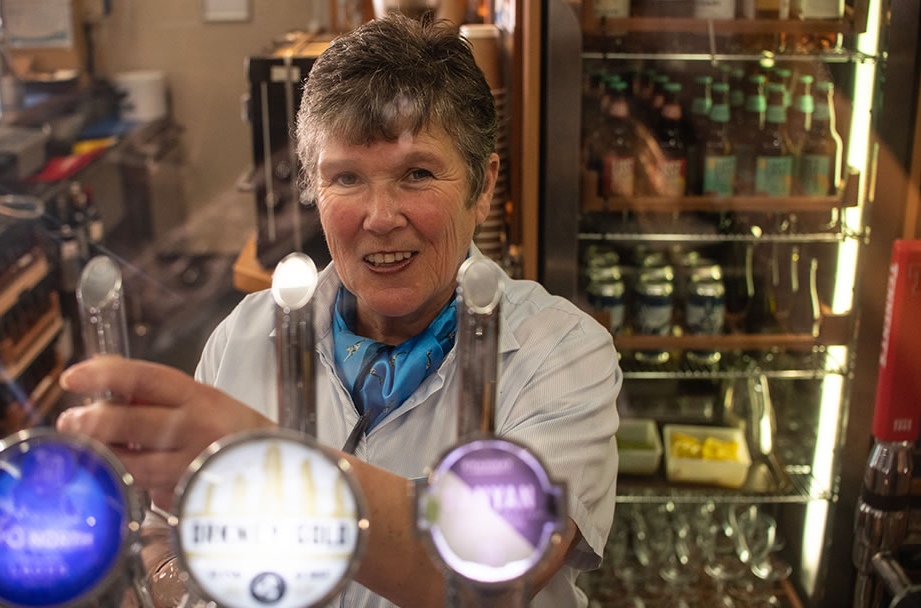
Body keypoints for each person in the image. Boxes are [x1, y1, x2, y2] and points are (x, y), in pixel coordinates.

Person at [57, 14, 620, 607]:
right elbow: (164, 535)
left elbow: (492, 565)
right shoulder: (242, 338)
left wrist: (261, 458)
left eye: (417, 174)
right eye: (347, 178)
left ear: (483, 186)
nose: (380, 216)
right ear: (314, 189)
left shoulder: (561, 354)